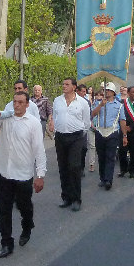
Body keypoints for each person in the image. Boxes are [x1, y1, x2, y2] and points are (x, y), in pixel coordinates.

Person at [0, 91, 46, 258]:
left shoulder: (33, 123)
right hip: (4, 171)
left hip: (23, 173)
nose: (17, 105)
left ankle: (27, 225)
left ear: (27, 104)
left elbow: (39, 150)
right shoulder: (5, 118)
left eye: (21, 102)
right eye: (15, 102)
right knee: (4, 209)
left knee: (24, 206)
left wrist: (40, 175)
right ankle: (6, 243)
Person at [50, 78, 91, 211]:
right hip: (61, 137)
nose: (64, 86)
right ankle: (66, 197)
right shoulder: (57, 100)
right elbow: (55, 117)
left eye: (67, 84)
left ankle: (76, 199)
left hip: (76, 137)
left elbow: (86, 122)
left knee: (74, 166)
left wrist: (79, 134)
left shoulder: (83, 103)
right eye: (63, 84)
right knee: (63, 167)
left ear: (74, 87)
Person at [91, 82, 122, 190]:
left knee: (110, 157)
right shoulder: (98, 103)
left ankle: (108, 180)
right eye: (105, 90)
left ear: (113, 92)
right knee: (101, 157)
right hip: (100, 132)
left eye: (108, 90)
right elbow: (93, 114)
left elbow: (122, 120)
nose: (106, 92)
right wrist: (101, 105)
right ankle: (102, 178)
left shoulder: (119, 105)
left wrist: (124, 135)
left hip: (112, 132)